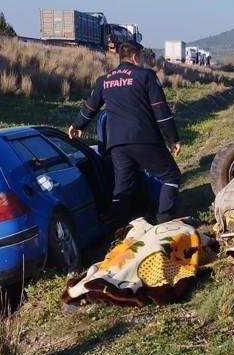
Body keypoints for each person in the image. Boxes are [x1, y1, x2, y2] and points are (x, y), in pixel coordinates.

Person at [68, 41, 182, 226]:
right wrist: (173, 138)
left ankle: (118, 228)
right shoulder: (146, 76)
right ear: (136, 56)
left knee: (123, 187)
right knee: (171, 176)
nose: (143, 60)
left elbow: (91, 106)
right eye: (143, 56)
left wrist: (78, 125)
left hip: (117, 144)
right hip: (145, 139)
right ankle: (164, 218)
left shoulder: (105, 80)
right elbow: (160, 110)